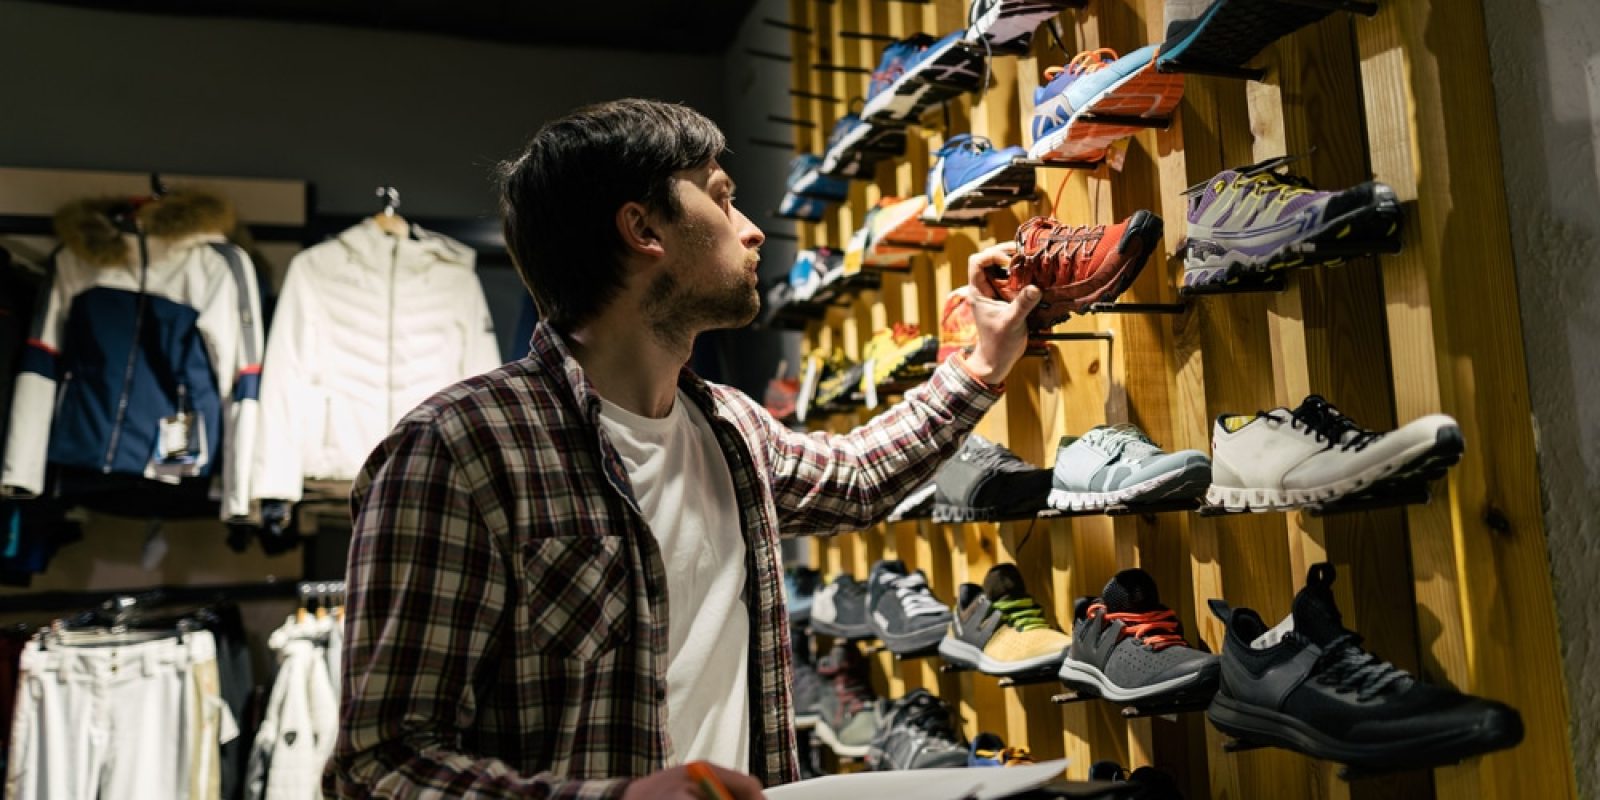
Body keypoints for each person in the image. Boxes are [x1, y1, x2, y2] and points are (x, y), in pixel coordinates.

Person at [324, 98, 1042, 798]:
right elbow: (381, 764)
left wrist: (981, 364)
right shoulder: (456, 450)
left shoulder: (731, 428)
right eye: (723, 199)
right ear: (644, 228)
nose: (754, 231)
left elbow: (856, 478)